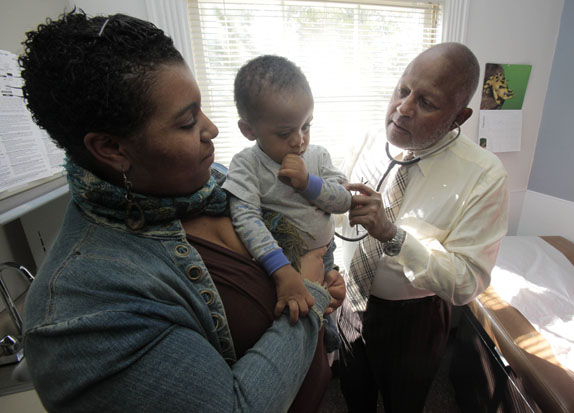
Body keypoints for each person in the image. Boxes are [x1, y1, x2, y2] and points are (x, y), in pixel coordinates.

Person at [19, 10, 343, 412]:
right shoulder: (81, 309)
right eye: (188, 122)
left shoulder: (214, 183)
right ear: (112, 148)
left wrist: (320, 280)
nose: (212, 129)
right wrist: (308, 293)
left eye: (200, 109)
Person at [336, 42, 509, 412]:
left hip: (413, 321)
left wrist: (393, 237)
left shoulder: (485, 175)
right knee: (354, 395)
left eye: (426, 103)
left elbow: (467, 281)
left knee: (404, 403)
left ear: (459, 117)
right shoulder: (367, 138)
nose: (403, 108)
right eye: (402, 90)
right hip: (348, 300)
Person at [222, 55, 350, 345]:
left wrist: (309, 183)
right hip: (281, 262)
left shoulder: (317, 156)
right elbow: (245, 217)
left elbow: (343, 201)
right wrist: (282, 271)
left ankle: (327, 338)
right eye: (285, 132)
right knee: (296, 315)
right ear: (248, 130)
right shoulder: (247, 164)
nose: (299, 141)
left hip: (326, 252)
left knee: (327, 303)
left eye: (306, 126)